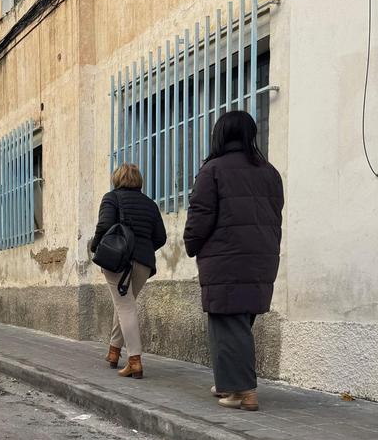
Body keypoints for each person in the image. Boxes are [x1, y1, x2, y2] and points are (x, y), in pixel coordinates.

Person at [184, 110, 284, 412]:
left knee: (227, 324)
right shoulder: (270, 172)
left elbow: (201, 214)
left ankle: (245, 391)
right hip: (261, 259)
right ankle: (229, 381)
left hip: (225, 258)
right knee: (239, 323)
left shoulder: (213, 170)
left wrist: (191, 243)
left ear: (220, 135)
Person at [89, 163, 167, 379]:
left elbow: (104, 225)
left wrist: (95, 246)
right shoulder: (150, 204)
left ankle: (135, 360)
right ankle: (114, 352)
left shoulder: (111, 198)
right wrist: (143, 248)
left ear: (117, 179)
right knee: (125, 304)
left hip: (117, 260)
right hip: (143, 262)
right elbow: (161, 237)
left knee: (125, 307)